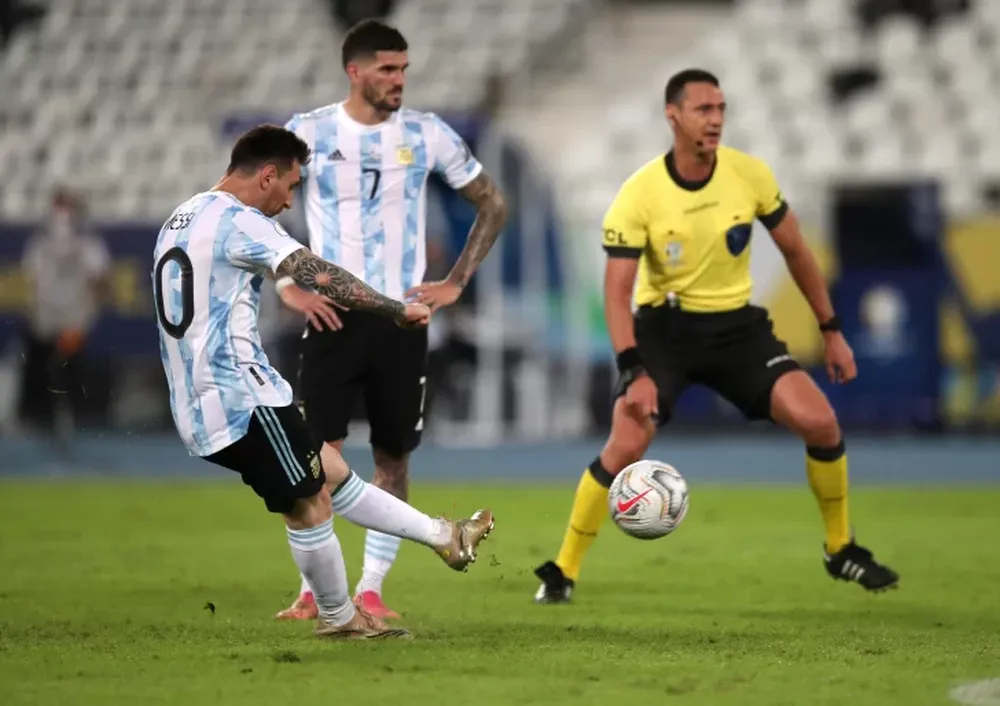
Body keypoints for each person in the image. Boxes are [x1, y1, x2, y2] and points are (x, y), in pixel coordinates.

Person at [533, 69, 899, 604]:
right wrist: (633, 368)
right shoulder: (639, 194)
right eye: (703, 109)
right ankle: (562, 572)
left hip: (737, 330)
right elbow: (618, 294)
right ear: (673, 115)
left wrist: (832, 329)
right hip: (665, 333)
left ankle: (840, 548)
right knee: (628, 441)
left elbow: (798, 252)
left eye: (721, 109)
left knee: (821, 422)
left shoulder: (749, 175)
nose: (716, 120)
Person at [152, 124, 494, 639]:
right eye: (289, 186)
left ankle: (446, 537)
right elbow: (315, 272)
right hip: (241, 398)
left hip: (200, 396)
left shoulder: (184, 215)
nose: (290, 201)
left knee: (332, 471)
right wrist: (393, 309)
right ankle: (342, 619)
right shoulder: (241, 221)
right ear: (266, 175)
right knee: (309, 503)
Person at [275, 18, 508, 620]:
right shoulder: (310, 132)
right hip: (333, 315)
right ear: (354, 71)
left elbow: (493, 203)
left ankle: (371, 587)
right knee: (315, 457)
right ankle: (314, 589)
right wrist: (285, 283)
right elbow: (258, 206)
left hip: (404, 320)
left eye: (404, 68)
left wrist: (456, 281)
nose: (399, 80)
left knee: (393, 459)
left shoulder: (427, 134)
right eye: (387, 69)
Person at [19, 188, 111, 446]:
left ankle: (74, 423)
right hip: (46, 316)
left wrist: (90, 312)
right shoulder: (40, 243)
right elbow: (32, 279)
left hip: (75, 316)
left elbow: (100, 278)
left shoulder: (88, 243)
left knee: (71, 372)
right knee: (40, 369)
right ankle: (39, 419)